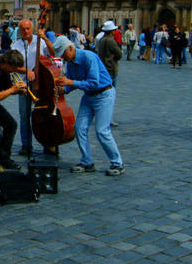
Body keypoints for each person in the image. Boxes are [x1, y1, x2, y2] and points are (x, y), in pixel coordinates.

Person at [53, 38, 124, 176]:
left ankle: (117, 163)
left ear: (70, 48)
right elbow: (73, 84)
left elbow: (93, 83)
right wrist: (63, 89)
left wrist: (70, 82)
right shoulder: (71, 63)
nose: (63, 57)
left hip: (104, 94)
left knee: (102, 130)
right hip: (89, 96)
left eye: (63, 54)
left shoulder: (89, 57)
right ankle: (87, 161)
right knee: (79, 127)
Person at [11, 19, 53, 156]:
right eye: (23, 29)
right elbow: (13, 66)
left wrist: (45, 38)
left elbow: (53, 52)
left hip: (41, 85)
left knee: (45, 115)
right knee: (24, 116)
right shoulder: (15, 45)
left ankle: (48, 143)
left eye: (28, 28)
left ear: (33, 28)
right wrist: (26, 71)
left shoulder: (39, 41)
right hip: (24, 86)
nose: (25, 31)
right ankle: (26, 144)